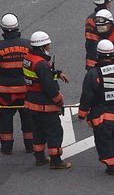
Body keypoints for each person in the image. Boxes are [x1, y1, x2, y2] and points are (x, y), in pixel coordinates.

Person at [78, 39, 114, 175]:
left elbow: (87, 96)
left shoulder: (93, 74)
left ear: (98, 55)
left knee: (104, 141)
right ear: (113, 55)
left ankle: (111, 168)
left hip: (101, 116)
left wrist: (82, 114)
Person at [23, 31, 71, 169]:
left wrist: (58, 73)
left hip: (32, 102)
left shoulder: (28, 58)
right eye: (47, 45)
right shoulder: (41, 64)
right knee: (54, 132)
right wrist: (58, 100)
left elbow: (39, 76)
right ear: (42, 46)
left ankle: (39, 158)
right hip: (45, 105)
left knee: (38, 131)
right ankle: (56, 161)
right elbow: (48, 86)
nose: (49, 47)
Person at [0, 13, 33, 155]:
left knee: (5, 119)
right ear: (17, 27)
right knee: (28, 118)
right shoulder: (28, 45)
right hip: (25, 90)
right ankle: (30, 145)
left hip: (5, 93)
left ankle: (7, 147)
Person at [84, 0, 114, 69]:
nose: (111, 4)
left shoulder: (91, 19)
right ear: (105, 3)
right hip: (99, 61)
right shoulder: (102, 19)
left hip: (95, 60)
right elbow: (94, 43)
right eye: (109, 2)